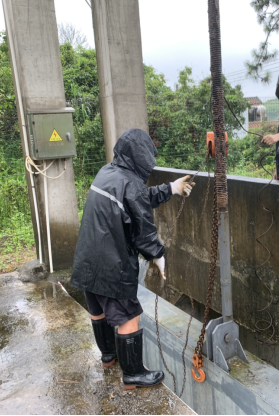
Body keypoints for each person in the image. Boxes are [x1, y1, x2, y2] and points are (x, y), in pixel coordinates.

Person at [70, 128, 195, 390]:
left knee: (99, 310)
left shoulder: (107, 172)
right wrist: (158, 255)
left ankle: (108, 356)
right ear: (141, 157)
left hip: (88, 259)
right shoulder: (131, 182)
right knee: (129, 316)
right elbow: (142, 229)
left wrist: (171, 188)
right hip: (111, 263)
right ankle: (133, 374)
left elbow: (136, 198)